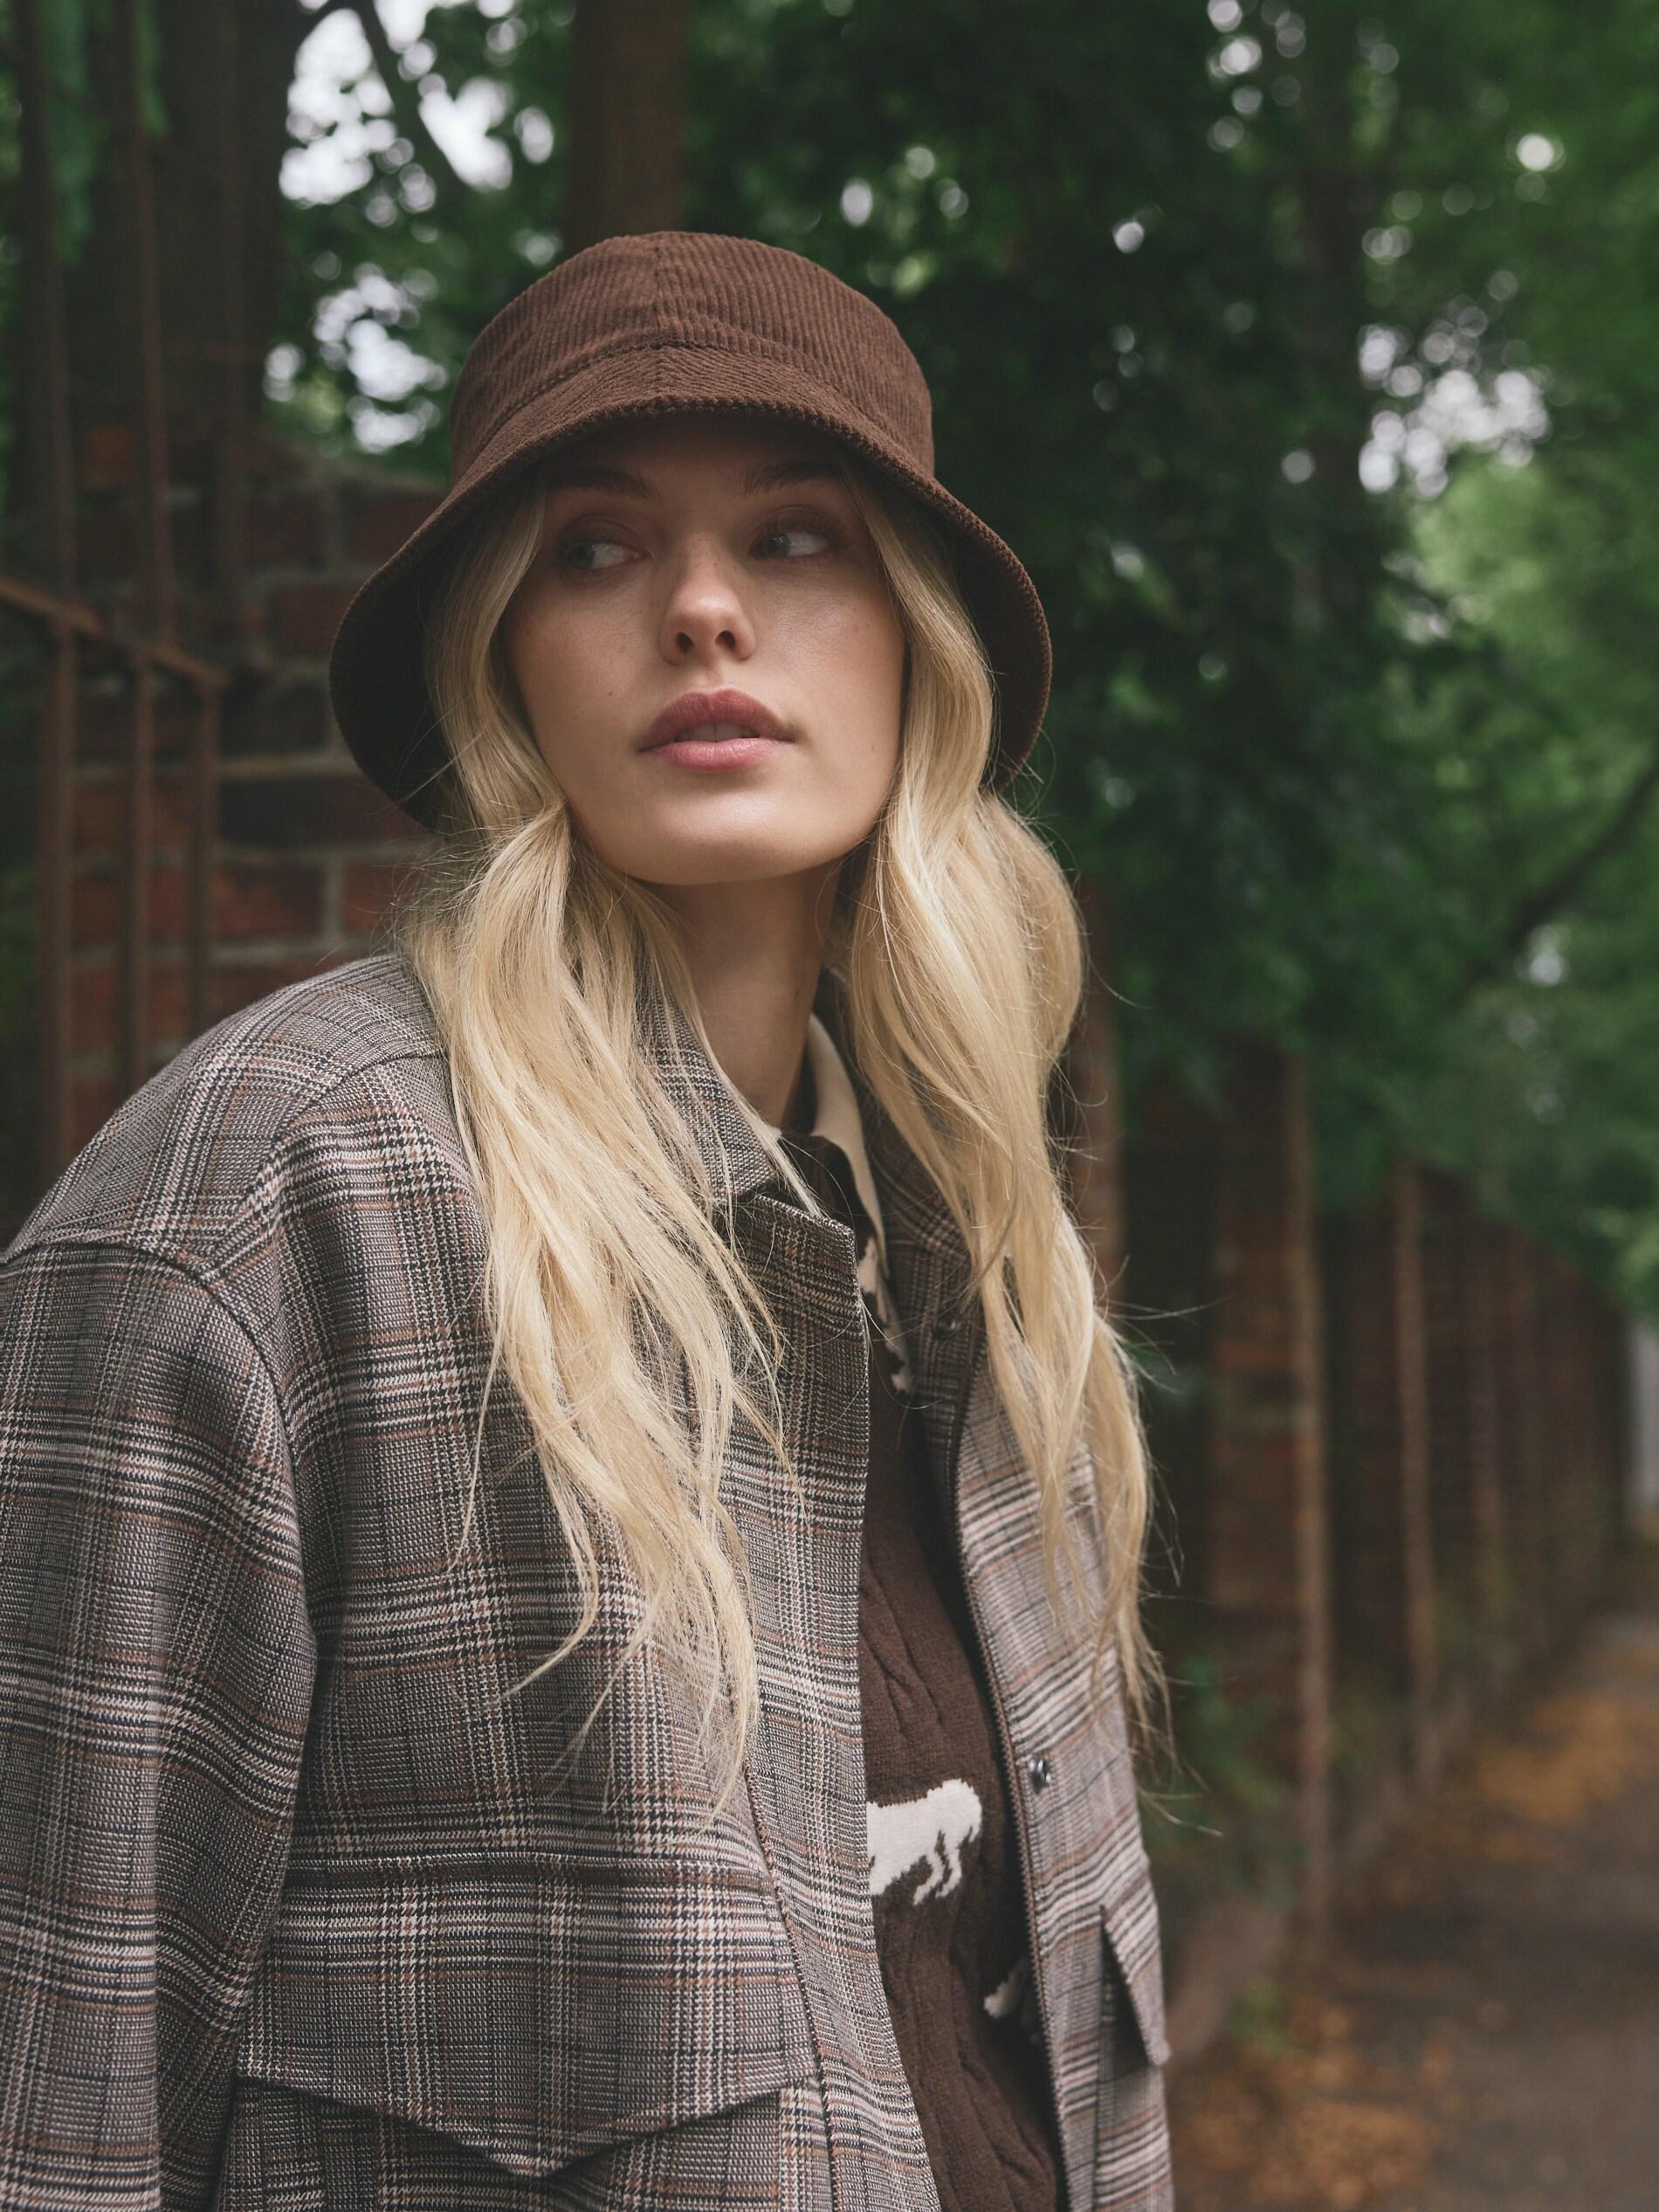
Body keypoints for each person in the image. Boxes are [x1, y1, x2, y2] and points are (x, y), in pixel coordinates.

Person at [0, 231, 1174, 2209]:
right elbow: (60, 2108)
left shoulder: (976, 1248)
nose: (703, 609)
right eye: (597, 550)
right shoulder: (268, 1208)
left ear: (916, 645)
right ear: (502, 659)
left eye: (794, 538)